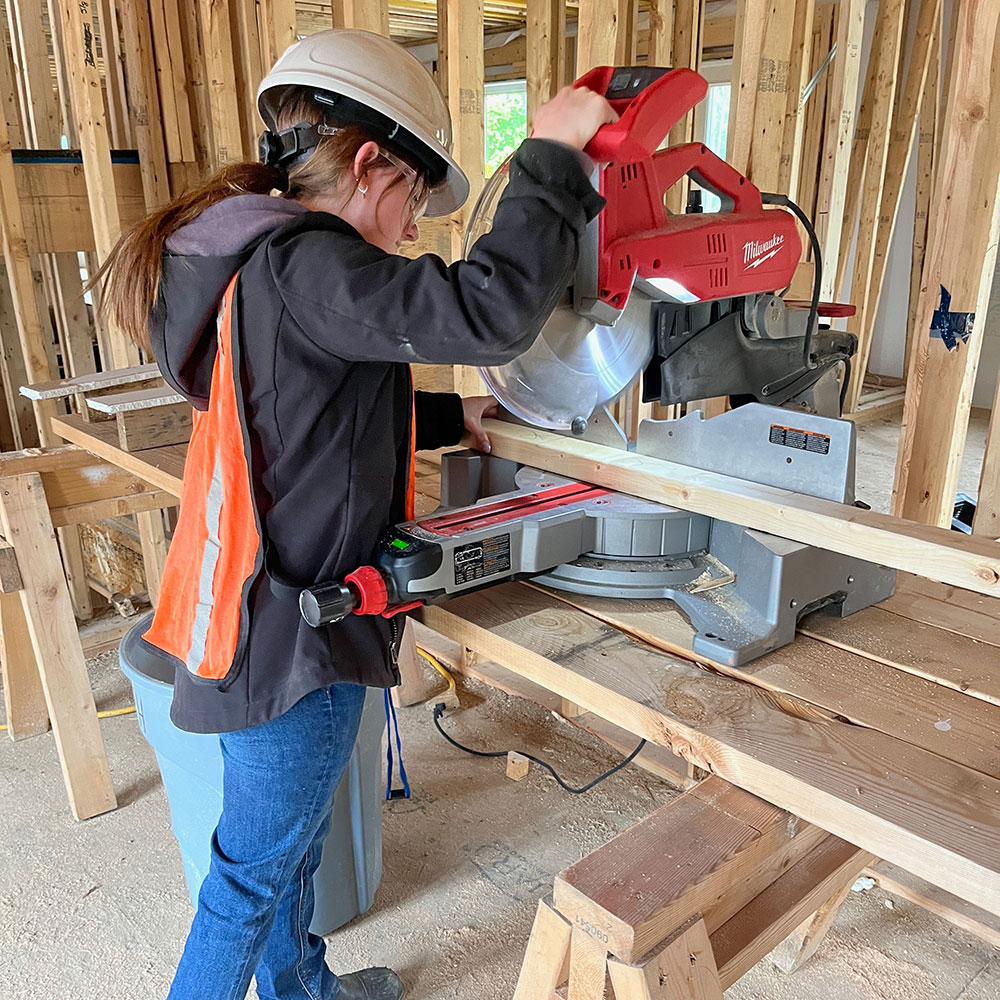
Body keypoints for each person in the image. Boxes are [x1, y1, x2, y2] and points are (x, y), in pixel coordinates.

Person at [95, 28, 616, 1000]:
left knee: (286, 853)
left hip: (269, 622)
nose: (413, 226)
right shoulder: (308, 267)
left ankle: (306, 991)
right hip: (290, 641)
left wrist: (447, 416)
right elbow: (488, 310)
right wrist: (550, 156)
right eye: (414, 197)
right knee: (249, 879)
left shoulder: (268, 268)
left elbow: (316, 416)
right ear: (370, 161)